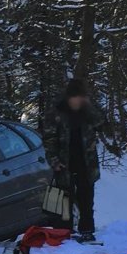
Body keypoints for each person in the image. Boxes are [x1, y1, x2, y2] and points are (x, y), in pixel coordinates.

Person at [43, 79, 104, 243]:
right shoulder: (56, 113)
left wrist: (90, 107)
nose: (77, 101)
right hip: (64, 164)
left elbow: (101, 123)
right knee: (64, 201)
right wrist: (54, 161)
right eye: (75, 98)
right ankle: (64, 233)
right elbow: (49, 139)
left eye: (80, 98)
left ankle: (87, 231)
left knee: (86, 199)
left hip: (86, 162)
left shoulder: (88, 113)